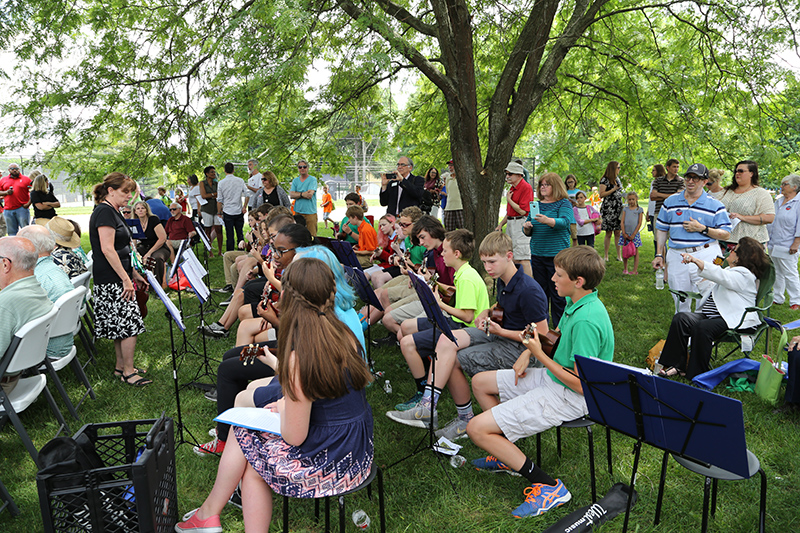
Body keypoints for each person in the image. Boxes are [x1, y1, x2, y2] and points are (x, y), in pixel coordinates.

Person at [175, 257, 374, 533]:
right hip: (356, 448)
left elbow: (295, 437)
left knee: (244, 439)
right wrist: (284, 404)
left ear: (288, 300)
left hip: (333, 462)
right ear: (330, 293)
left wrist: (283, 410)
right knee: (249, 439)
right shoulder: (343, 334)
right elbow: (325, 392)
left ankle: (208, 515)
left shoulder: (300, 355)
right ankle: (208, 514)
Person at [466, 245, 613, 519]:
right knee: (480, 382)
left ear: (578, 282)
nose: (553, 279)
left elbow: (584, 385)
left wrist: (537, 355)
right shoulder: (577, 302)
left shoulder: (587, 321)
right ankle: (507, 457)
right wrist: (527, 352)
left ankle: (548, 486)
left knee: (476, 429)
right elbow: (555, 334)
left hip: (573, 396)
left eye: (558, 275)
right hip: (557, 381)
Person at [393, 232, 549, 437]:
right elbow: (504, 306)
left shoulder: (529, 290)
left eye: (492, 261)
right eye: (484, 262)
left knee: (455, 359)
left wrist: (501, 331)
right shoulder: (503, 278)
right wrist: (487, 311)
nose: (488, 268)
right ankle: (427, 406)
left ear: (509, 256)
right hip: (497, 333)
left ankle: (464, 419)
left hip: (519, 348)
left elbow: (543, 334)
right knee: (447, 340)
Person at [386, 229, 490, 428]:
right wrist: (433, 284)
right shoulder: (464, 272)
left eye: (445, 251)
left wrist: (438, 304)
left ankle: (423, 396)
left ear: (456, 254)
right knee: (406, 327)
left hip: (462, 327)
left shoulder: (466, 277)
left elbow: (467, 316)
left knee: (407, 342)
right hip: (454, 321)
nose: (441, 254)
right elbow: (455, 293)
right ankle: (426, 382)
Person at [656, 237, 769, 379]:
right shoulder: (729, 270)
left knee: (702, 327)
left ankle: (696, 374)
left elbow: (722, 276)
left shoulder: (745, 275)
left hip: (734, 319)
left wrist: (697, 261)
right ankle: (676, 365)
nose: (729, 250)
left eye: (734, 249)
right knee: (681, 318)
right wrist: (706, 278)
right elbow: (712, 286)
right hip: (714, 316)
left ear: (740, 257)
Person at [89, 173, 151, 387]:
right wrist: (125, 279)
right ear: (111, 191)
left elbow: (120, 248)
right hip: (112, 279)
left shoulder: (112, 211)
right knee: (130, 324)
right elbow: (107, 249)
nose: (129, 196)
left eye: (131, 192)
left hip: (118, 275)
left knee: (120, 325)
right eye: (125, 191)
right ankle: (128, 371)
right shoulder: (105, 212)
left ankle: (120, 366)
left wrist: (132, 272)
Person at [653, 163, 732, 314]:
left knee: (707, 298)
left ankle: (702, 335)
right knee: (679, 299)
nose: (690, 181)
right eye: (688, 177)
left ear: (704, 181)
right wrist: (659, 254)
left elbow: (726, 233)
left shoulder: (715, 205)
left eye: (696, 178)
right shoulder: (670, 202)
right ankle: (683, 334)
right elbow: (662, 229)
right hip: (677, 255)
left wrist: (702, 228)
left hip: (707, 254)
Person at [0, 236, 55, 394]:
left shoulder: (7, 303)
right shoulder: (38, 290)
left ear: (5, 264)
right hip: (16, 374)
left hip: (5, 384)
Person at [522, 172, 574, 327]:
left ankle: (560, 329)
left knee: (558, 294)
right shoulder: (536, 205)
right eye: (541, 185)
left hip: (557, 256)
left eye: (546, 185)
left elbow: (565, 222)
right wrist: (526, 227)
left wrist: (548, 221)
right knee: (541, 293)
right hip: (538, 254)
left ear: (555, 186)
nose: (542, 188)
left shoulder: (563, 203)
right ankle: (542, 328)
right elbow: (528, 229)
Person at [17, 225, 75, 359]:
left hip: (45, 348)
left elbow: (17, 321)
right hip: (63, 341)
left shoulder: (36, 277)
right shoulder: (54, 268)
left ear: (29, 247)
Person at [718, 160, 775, 246]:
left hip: (750, 244)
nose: (737, 173)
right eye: (736, 171)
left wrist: (742, 217)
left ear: (751, 174)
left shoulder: (761, 193)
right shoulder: (727, 191)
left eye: (741, 171)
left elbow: (769, 218)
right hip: (722, 239)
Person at [767, 174, 800, 310]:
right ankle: (778, 298)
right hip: (773, 242)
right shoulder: (778, 201)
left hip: (788, 243)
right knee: (777, 272)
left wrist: (796, 243)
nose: (781, 187)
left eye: (784, 184)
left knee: (790, 272)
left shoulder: (798, 203)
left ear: (794, 187)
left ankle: (796, 301)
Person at [495, 161, 533, 277]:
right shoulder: (512, 189)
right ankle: (517, 284)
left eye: (510, 174)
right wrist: (501, 224)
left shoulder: (526, 187)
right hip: (511, 223)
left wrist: (509, 200)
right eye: (507, 174)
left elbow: (523, 211)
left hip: (521, 223)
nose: (507, 176)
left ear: (519, 174)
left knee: (523, 258)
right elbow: (510, 213)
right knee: (513, 257)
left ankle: (530, 287)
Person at [133, 200, 170, 289]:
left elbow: (162, 238)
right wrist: (134, 253)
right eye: (138, 209)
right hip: (144, 247)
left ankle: (158, 287)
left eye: (143, 208)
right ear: (135, 211)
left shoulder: (153, 219)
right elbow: (134, 240)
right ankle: (140, 285)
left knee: (156, 258)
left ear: (146, 210)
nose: (140, 210)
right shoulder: (135, 222)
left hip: (159, 247)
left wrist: (149, 253)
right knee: (132, 257)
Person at [217, 162, 249, 252]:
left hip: (227, 211)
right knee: (240, 234)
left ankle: (229, 254)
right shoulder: (240, 180)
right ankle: (241, 252)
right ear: (233, 170)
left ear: (224, 171)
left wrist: (219, 212)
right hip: (238, 210)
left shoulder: (221, 183)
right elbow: (247, 194)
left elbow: (219, 200)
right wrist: (244, 206)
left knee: (229, 235)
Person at [598, 161, 624, 262]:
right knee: (608, 232)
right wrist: (614, 189)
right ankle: (606, 256)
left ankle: (619, 255)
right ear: (613, 168)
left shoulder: (617, 179)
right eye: (618, 167)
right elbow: (602, 194)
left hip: (618, 208)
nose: (619, 169)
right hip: (609, 208)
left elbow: (619, 191)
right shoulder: (605, 180)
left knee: (618, 232)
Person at [0, 163, 32, 235]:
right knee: (11, 232)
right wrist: (6, 192)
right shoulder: (3, 180)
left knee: (25, 231)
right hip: (8, 209)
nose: (14, 170)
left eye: (16, 169)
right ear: (9, 170)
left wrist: (28, 203)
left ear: (19, 169)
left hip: (22, 209)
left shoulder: (26, 179)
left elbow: (33, 191)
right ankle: (13, 246)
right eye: (12, 169)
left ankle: (27, 245)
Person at [289, 159, 318, 236]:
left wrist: (297, 194)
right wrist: (302, 194)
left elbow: (309, 195)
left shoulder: (313, 180)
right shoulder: (295, 181)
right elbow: (291, 195)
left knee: (312, 235)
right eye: (300, 167)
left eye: (304, 167)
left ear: (308, 168)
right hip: (298, 212)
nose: (302, 168)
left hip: (310, 213)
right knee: (298, 235)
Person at [199, 165, 224, 256]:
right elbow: (203, 195)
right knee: (208, 230)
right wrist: (214, 194)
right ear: (207, 174)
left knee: (219, 229)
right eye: (212, 172)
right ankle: (209, 251)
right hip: (206, 209)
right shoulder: (202, 183)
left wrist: (211, 195)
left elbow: (220, 195)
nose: (214, 173)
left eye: (214, 172)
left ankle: (220, 251)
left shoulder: (217, 183)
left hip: (216, 209)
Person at [620, 191, 643, 275]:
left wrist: (634, 234)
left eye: (633, 199)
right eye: (629, 199)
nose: (631, 201)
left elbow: (639, 223)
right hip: (625, 233)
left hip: (634, 234)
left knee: (635, 251)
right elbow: (622, 222)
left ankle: (634, 270)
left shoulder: (639, 210)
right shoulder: (625, 209)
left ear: (636, 199)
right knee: (625, 250)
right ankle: (625, 268)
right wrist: (623, 232)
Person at [441, 160, 464, 231]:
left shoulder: (463, 177)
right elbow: (448, 192)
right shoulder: (448, 178)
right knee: (449, 231)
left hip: (460, 207)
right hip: (449, 208)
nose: (450, 167)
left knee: (462, 231)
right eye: (449, 166)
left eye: (452, 165)